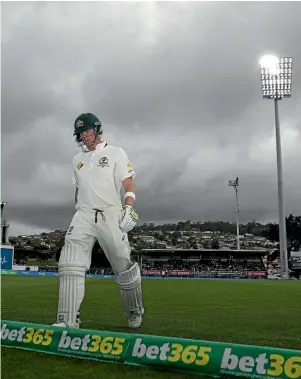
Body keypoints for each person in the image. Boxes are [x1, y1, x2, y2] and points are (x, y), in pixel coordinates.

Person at [53, 113, 144, 329]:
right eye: (81, 133)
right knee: (70, 262)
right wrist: (81, 204)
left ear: (97, 129)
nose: (85, 136)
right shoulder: (77, 160)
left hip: (110, 213)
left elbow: (128, 185)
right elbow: (78, 191)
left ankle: (134, 311)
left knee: (123, 265)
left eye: (87, 131)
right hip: (83, 214)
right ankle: (67, 320)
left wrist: (129, 207)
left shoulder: (116, 153)